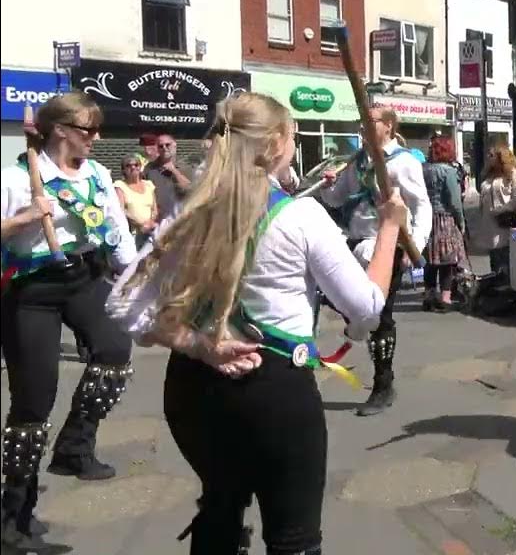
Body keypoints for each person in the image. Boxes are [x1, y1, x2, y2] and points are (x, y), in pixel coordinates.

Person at [106, 92, 405, 555]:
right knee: (294, 539)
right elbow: (365, 308)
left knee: (220, 509)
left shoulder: (188, 214)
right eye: (293, 136)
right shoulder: (302, 216)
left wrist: (200, 346)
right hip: (273, 393)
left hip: (191, 390)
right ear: (276, 145)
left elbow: (122, 306)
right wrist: (388, 230)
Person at [1, 92, 139, 551]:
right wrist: (25, 217)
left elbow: (116, 231)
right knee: (33, 399)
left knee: (116, 352)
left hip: (83, 275)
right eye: (88, 130)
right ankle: (15, 509)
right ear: (59, 130)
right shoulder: (17, 178)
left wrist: (136, 276)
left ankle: (74, 448)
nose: (97, 138)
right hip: (32, 289)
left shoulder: (98, 175)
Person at [318, 106, 431, 416]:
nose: (364, 127)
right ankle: (358, 332)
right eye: (361, 122)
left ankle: (383, 384)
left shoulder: (404, 162)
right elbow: (336, 199)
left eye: (371, 122)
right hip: (355, 244)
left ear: (389, 127)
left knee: (380, 316)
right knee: (351, 306)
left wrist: (414, 246)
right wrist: (329, 185)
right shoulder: (356, 162)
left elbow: (422, 207)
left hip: (388, 246)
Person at [423, 136, 466, 311]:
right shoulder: (448, 172)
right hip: (445, 218)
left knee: (430, 260)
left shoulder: (423, 169)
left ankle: (429, 296)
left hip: (426, 218)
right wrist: (461, 221)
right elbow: (455, 201)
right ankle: (445, 298)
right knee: (447, 261)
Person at [479, 145, 516, 275]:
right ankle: (495, 283)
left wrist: (500, 210)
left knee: (506, 256)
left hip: (506, 221)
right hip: (489, 225)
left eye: (491, 155)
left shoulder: (515, 174)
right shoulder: (489, 175)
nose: (488, 157)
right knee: (494, 257)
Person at [144, 131, 194, 221]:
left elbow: (190, 189)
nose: (164, 148)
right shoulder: (149, 169)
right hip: (158, 219)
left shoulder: (186, 167)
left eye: (167, 145)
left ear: (175, 145)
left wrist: (174, 171)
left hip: (181, 218)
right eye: (161, 146)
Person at [114, 151, 159, 250]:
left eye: (136, 165)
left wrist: (150, 223)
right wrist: (140, 224)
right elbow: (120, 210)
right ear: (123, 170)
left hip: (151, 230)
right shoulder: (120, 185)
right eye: (128, 165)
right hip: (133, 233)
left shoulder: (148, 184)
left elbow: (154, 208)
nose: (133, 167)